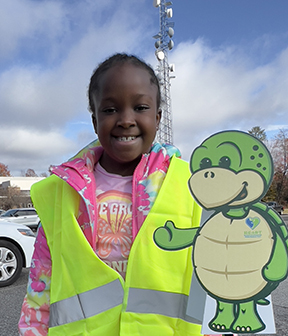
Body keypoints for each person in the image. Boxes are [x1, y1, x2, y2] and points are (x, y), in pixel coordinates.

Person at [18, 53, 216, 335]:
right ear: (94, 119)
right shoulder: (61, 192)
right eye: (110, 110)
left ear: (157, 117)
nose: (126, 120)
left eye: (140, 107)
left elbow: (211, 278)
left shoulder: (192, 185)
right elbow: (41, 282)